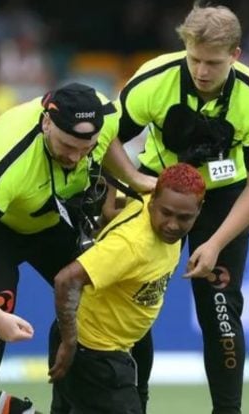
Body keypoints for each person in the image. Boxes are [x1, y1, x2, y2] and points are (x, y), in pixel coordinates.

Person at [103, 0, 249, 414]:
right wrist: (130, 180)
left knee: (220, 312)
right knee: (132, 304)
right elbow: (106, 136)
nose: (201, 72)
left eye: (213, 63)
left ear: (235, 56)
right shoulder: (154, 80)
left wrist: (217, 243)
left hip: (223, 200)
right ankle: (135, 405)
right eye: (195, 59)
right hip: (156, 189)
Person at [0, 82, 154, 414]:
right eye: (67, 145)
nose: (75, 157)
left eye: (85, 148)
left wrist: (131, 177)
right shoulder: (5, 165)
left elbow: (108, 137)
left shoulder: (103, 113)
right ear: (46, 123)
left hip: (45, 216)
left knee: (106, 295)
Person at [46, 162, 206, 413]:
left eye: (184, 217)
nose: (173, 225)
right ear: (152, 200)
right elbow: (66, 280)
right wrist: (68, 343)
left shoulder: (148, 209)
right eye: (166, 213)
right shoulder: (131, 244)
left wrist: (111, 201)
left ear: (199, 211)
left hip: (110, 349)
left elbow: (116, 196)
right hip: (94, 354)